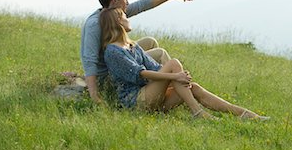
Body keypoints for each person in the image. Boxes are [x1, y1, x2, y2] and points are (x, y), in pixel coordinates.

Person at [100, 7, 270, 120]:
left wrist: (179, 79)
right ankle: (197, 112)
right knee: (173, 64)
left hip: (150, 97)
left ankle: (244, 114)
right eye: (124, 16)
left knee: (193, 87)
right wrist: (174, 75)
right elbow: (139, 74)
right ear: (117, 22)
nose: (128, 18)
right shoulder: (113, 51)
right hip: (136, 102)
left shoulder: (132, 46)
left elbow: (155, 67)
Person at [80, 0, 194, 105]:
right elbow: (89, 61)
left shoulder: (113, 13)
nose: (128, 2)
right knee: (160, 53)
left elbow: (143, 5)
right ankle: (177, 88)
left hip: (114, 60)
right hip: (109, 73)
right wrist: (95, 96)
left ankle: (164, 85)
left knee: (150, 42)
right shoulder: (95, 24)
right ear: (114, 0)